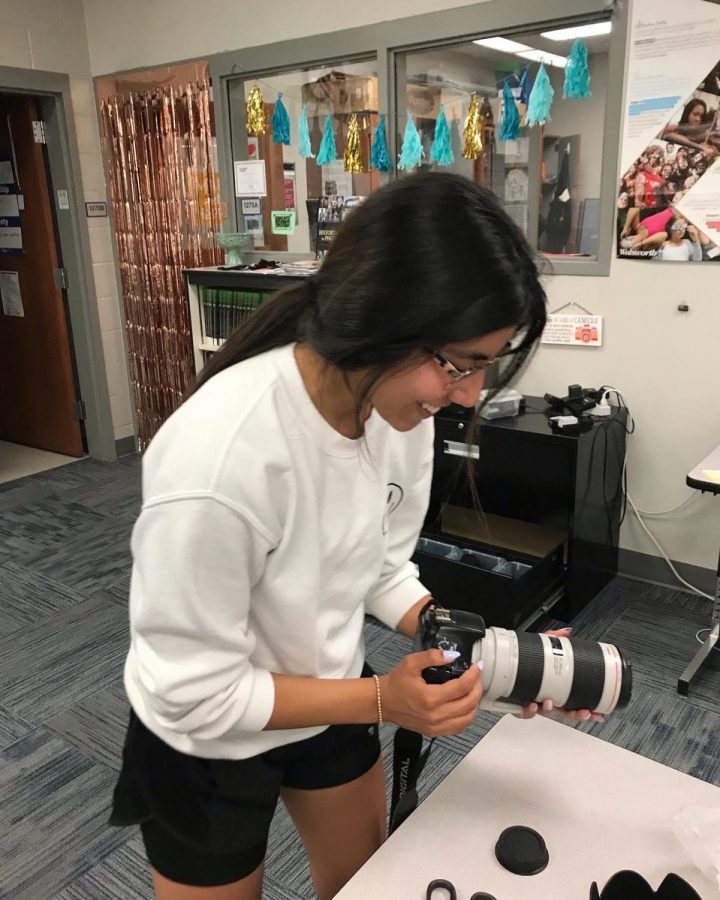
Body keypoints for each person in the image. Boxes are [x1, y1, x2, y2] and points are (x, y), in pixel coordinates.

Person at [109, 172, 597, 900]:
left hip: (329, 691)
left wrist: (488, 656)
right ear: (381, 319)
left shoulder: (398, 414)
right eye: (458, 364)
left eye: (483, 367)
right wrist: (379, 702)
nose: (467, 395)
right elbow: (196, 693)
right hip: (201, 735)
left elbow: (379, 564)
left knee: (371, 885)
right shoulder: (220, 460)